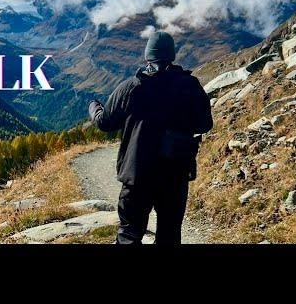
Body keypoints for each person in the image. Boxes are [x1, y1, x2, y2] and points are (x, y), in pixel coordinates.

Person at [88, 30, 213, 244]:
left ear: (148, 56)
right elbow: (205, 124)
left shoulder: (131, 87)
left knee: (129, 234)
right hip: (175, 173)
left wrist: (94, 106)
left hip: (138, 174)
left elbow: (105, 123)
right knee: (170, 233)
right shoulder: (190, 86)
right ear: (171, 55)